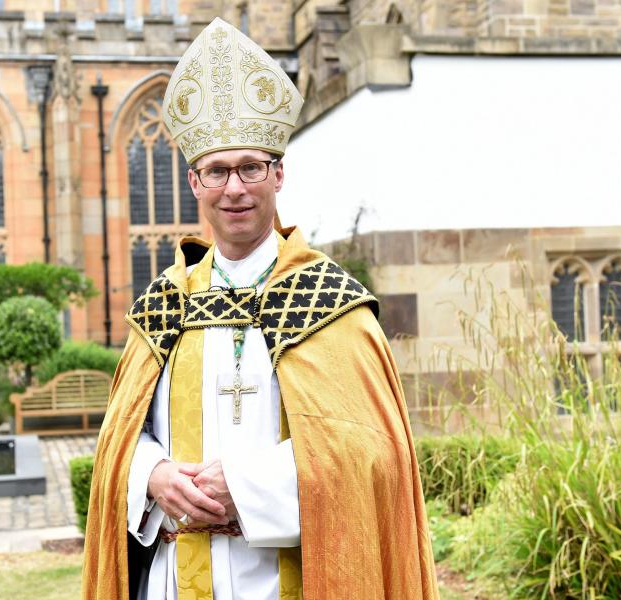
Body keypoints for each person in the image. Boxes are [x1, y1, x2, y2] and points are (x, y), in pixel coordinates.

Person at [82, 18, 438, 600]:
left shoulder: (328, 303)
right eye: (217, 171)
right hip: (176, 578)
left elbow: (370, 452)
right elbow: (123, 436)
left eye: (251, 167)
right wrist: (152, 476)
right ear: (194, 182)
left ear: (278, 174)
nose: (235, 188)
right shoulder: (165, 304)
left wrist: (246, 487)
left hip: (286, 580)